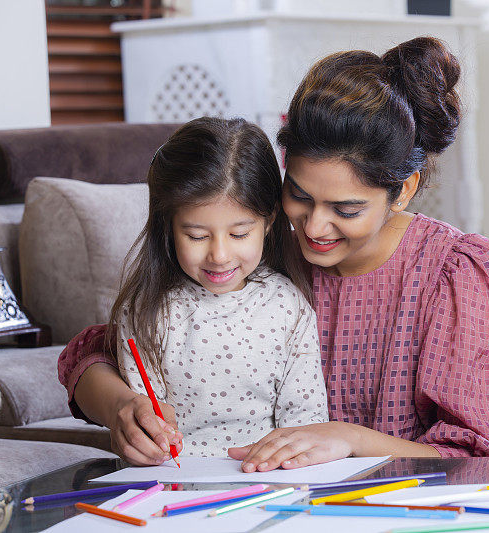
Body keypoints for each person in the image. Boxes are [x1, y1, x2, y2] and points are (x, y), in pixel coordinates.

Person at [58, 36, 489, 469]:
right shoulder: (252, 257)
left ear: (403, 190)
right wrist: (120, 407)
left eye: (346, 208)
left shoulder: (457, 275)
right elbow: (96, 353)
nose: (313, 227)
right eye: (299, 195)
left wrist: (348, 439)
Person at [91, 116, 327, 463]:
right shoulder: (148, 311)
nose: (219, 255)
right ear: (168, 227)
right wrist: (149, 442)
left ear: (270, 221)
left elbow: (305, 423)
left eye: (239, 234)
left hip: (267, 479)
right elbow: (144, 424)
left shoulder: (287, 306)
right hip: (174, 480)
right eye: (197, 236)